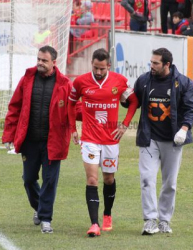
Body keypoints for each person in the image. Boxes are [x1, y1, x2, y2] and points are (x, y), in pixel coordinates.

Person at [2, 46, 76, 234]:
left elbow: (75, 109)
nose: (40, 63)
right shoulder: (27, 80)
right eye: (38, 59)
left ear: (54, 62)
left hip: (54, 142)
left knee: (50, 180)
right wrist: (9, 135)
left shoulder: (65, 84)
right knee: (28, 179)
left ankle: (45, 220)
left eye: (44, 60)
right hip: (30, 141)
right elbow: (14, 107)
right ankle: (38, 208)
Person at [68, 48, 139, 237]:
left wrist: (124, 125)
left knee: (109, 179)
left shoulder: (120, 81)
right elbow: (71, 103)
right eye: (95, 68)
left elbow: (133, 101)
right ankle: (94, 224)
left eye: (102, 69)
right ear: (91, 64)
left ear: (108, 65)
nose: (98, 72)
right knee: (92, 179)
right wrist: (73, 129)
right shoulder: (81, 81)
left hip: (110, 140)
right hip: (90, 139)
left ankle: (107, 214)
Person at [127, 48, 193, 235]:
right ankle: (150, 220)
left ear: (167, 64)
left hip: (173, 141)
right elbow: (132, 101)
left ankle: (164, 220)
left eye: (156, 63)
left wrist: (184, 129)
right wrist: (124, 98)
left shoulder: (184, 83)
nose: (152, 66)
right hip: (149, 139)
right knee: (146, 179)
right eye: (151, 62)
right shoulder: (143, 80)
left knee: (170, 183)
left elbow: (191, 109)